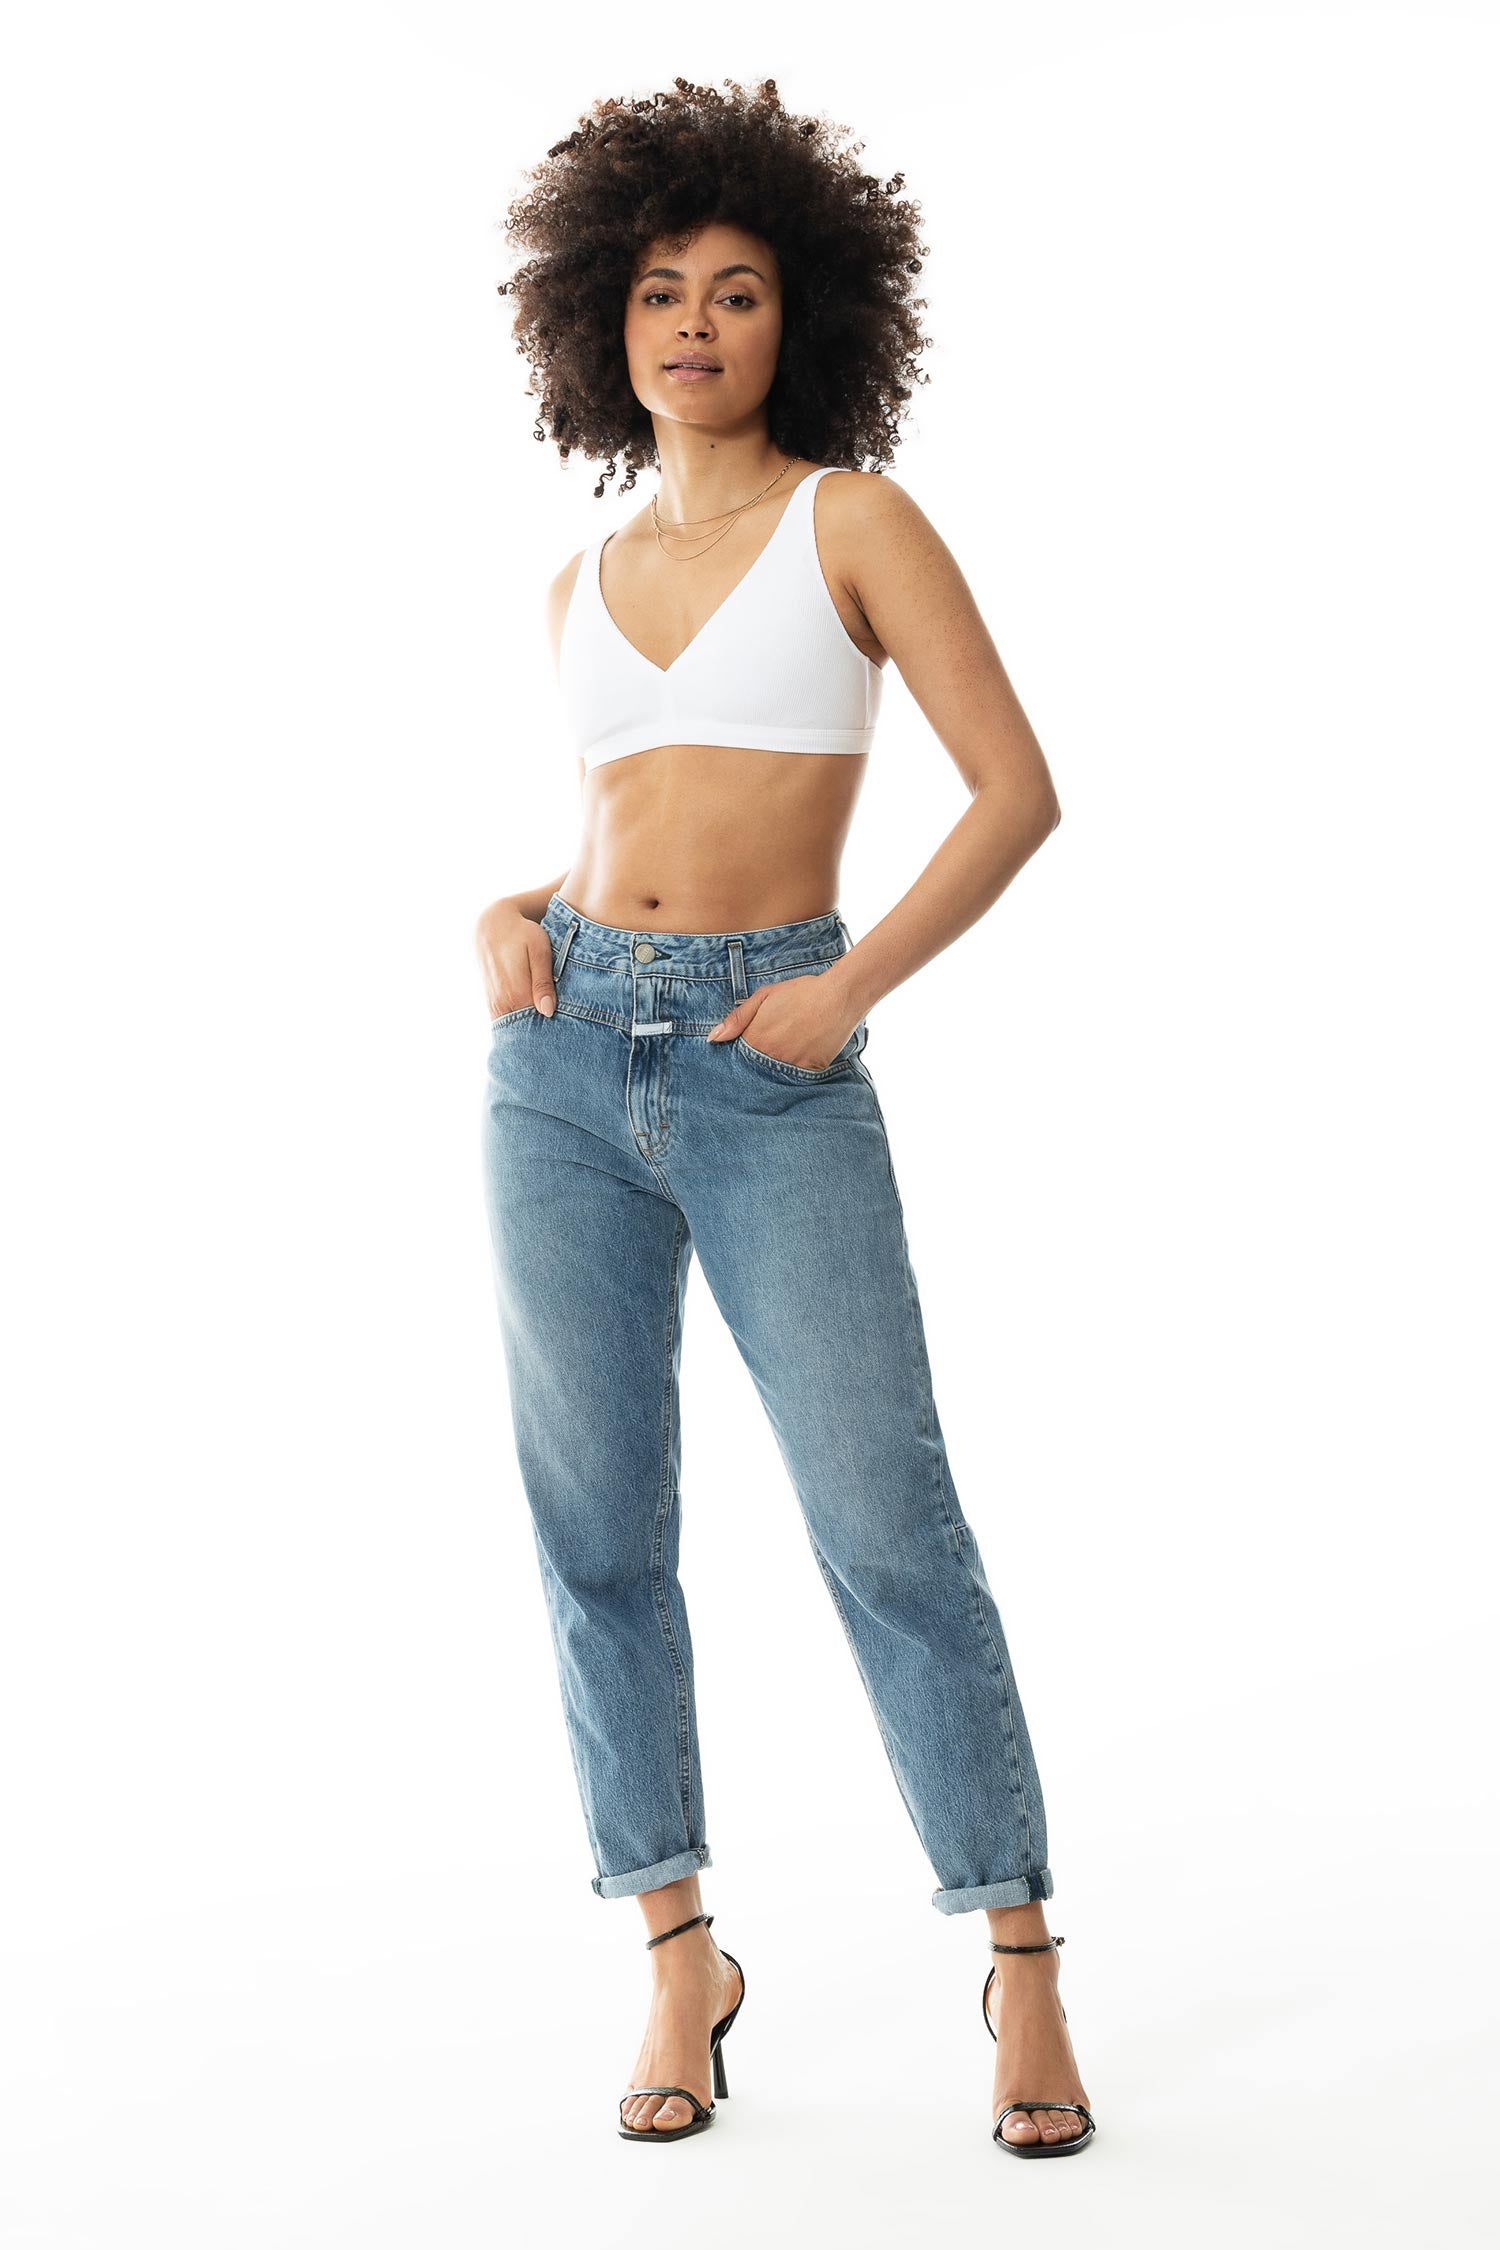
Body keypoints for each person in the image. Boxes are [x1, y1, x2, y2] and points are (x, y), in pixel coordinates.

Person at [476, 77, 1095, 2157]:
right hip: (562, 1068)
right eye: (660, 289)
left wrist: (845, 989)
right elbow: (617, 836)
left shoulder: (855, 521)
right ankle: (680, 1956)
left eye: (735, 291)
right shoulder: (580, 578)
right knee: (596, 1533)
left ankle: (1019, 1957)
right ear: (603, 318)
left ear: (797, 318)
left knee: (885, 1520)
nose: (694, 322)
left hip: (774, 1063)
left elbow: (1017, 792)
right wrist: (508, 909)